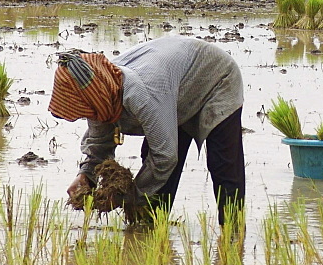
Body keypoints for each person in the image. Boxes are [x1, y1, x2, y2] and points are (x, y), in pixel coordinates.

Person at [49, 36, 245, 226]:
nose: (87, 117)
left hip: (214, 77)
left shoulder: (142, 95)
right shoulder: (100, 91)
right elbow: (99, 142)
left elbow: (165, 157)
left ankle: (233, 233)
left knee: (222, 164)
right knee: (154, 167)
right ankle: (149, 230)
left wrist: (127, 196)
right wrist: (86, 176)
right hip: (173, 86)